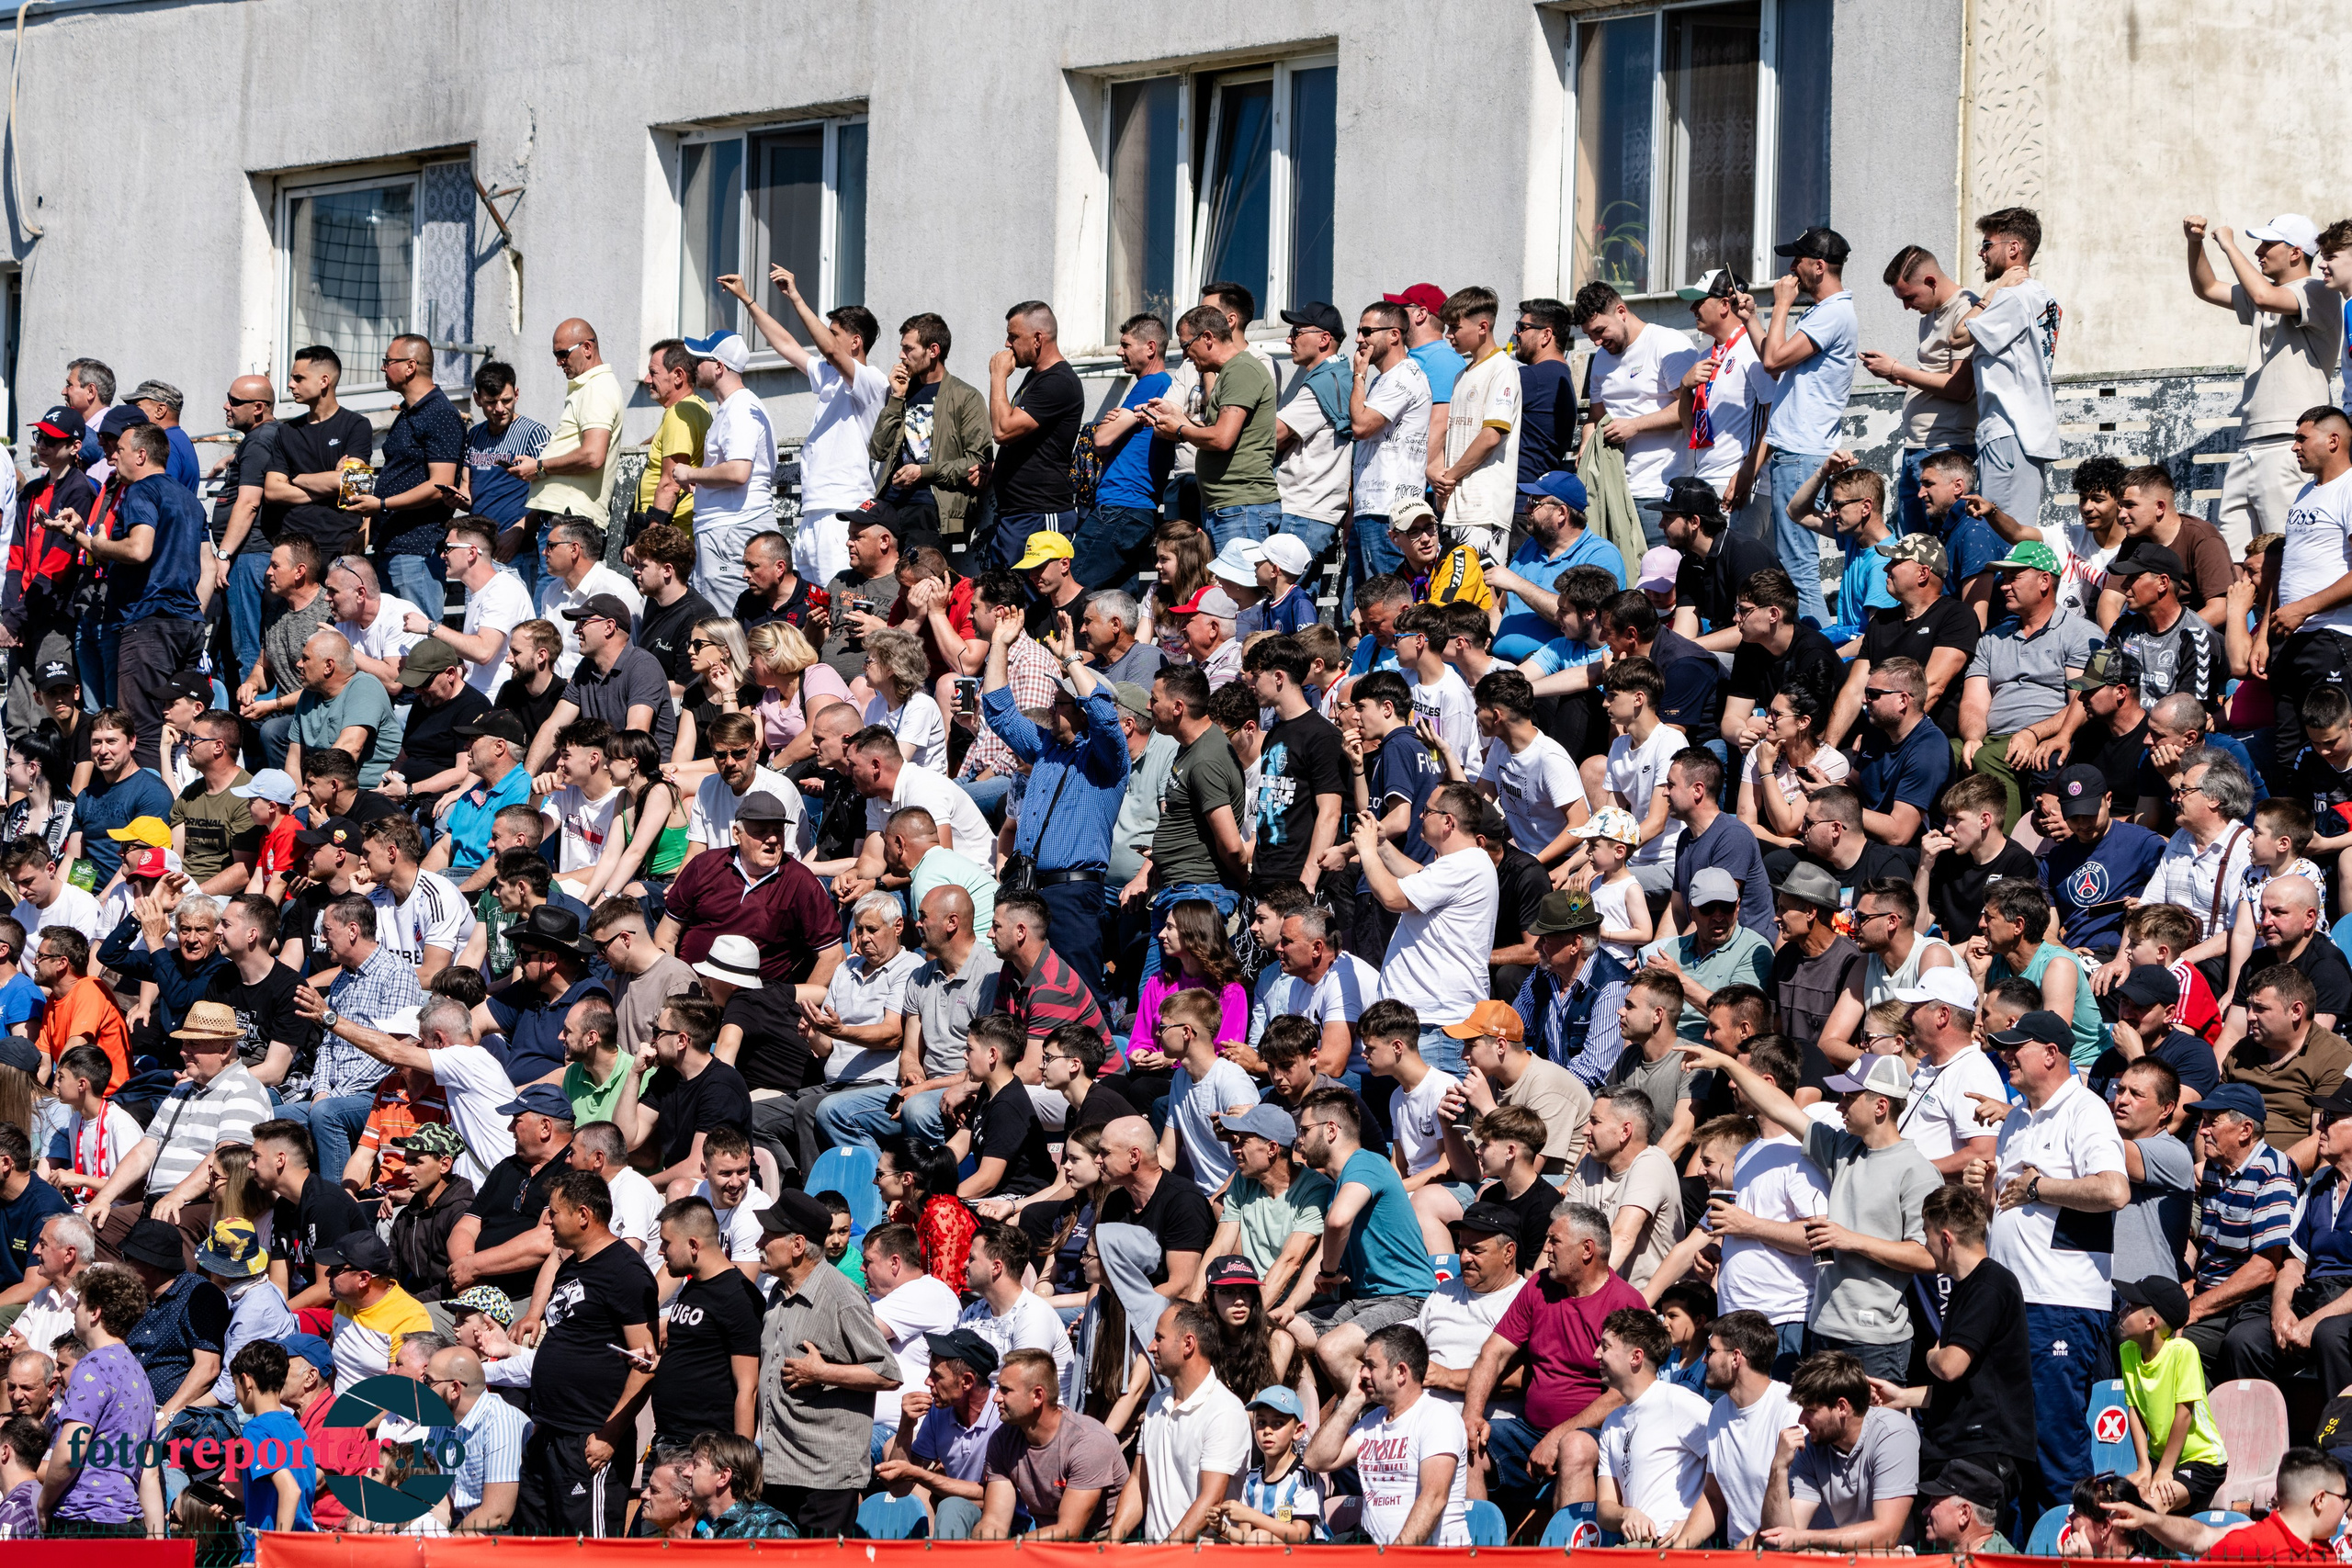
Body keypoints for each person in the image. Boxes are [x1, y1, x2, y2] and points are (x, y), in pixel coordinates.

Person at [1679, 1043, 1936, 1382]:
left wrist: (1851, 1240)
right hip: (1824, 1329)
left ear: (1881, 1106)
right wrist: (1727, 1063)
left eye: (1849, 1097)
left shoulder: (1917, 1171)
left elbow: (1929, 1257)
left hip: (1876, 1341)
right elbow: (1780, 1107)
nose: (1839, 1103)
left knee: (1870, 1432)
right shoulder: (1843, 1149)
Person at [507, 1169, 657, 1538]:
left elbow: (646, 1363)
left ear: (583, 1215)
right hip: (550, 1434)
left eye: (554, 1212)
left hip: (589, 1440)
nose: (548, 1220)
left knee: (585, 1551)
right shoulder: (573, 1264)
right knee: (535, 1544)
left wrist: (609, 1435)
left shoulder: (626, 1272)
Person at [2186, 216, 2339, 547]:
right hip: (2249, 443)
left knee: (2284, 549)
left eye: (2269, 244)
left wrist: (2229, 244)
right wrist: (2195, 243)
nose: (2259, 251)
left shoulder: (2317, 290)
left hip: (2288, 441)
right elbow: (2208, 288)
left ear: (2296, 253)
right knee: (2237, 556)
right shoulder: (2266, 292)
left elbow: (2263, 298)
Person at [754, 1189, 901, 1535]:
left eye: (770, 1235)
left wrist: (822, 1372)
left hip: (826, 1478)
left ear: (797, 1245)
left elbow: (888, 1373)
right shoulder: (777, 1293)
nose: (760, 1241)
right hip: (780, 1470)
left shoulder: (841, 1296)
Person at [1755, 228, 1860, 632]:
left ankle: (1822, 654)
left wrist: (1781, 304)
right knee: (1790, 560)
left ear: (1818, 266)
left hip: (1802, 451)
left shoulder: (1834, 312)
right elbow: (1772, 353)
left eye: (1797, 260)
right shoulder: (1821, 311)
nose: (1791, 268)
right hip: (1795, 449)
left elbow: (1773, 360)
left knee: (1798, 565)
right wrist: (1751, 317)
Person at [1353, 781, 1497, 1072]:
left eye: (1427, 811)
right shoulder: (1461, 864)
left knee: (1433, 1118)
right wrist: (1381, 844)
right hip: (1427, 1025)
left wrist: (1367, 851)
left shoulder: (1463, 865)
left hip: (1437, 1028)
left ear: (1448, 821)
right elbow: (1419, 877)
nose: (1420, 816)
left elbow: (1392, 896)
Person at [1956, 539, 2098, 829]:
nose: (2003, 586)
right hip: (1991, 736)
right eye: (2003, 578)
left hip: (2041, 736)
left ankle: (2005, 855)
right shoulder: (1992, 638)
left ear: (2044, 580)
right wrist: (1972, 736)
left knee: (1989, 758)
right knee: (1942, 751)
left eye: (2014, 577)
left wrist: (2033, 733)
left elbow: (2082, 701)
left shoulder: (2080, 633)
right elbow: (1973, 702)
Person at [2181, 1082, 2301, 1379]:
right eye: (2203, 1122)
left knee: (2176, 1345)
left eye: (2212, 1122)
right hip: (2211, 1293)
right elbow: (2209, 1244)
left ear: (2245, 1130)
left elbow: (2264, 1269)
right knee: (2136, 1326)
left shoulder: (2273, 1173)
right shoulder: (2215, 1167)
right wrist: (2190, 1285)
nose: (2203, 1131)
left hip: (2250, 1304)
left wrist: (2195, 1308)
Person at [1951, 208, 2062, 528]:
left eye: (1987, 245)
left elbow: (1957, 336)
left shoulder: (2010, 297)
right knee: (2016, 534)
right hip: (2027, 431)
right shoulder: (2045, 297)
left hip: (2007, 430)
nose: (1981, 253)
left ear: (2013, 248)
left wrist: (1992, 291)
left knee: (2002, 542)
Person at [1863, 246, 1980, 538]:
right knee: (1916, 549)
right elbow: (1936, 378)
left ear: (1930, 281)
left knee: (1938, 551)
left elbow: (1961, 388)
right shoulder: (1931, 313)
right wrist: (1899, 378)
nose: (1906, 306)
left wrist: (1899, 370)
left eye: (1909, 297)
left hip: (1946, 450)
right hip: (1921, 448)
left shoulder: (1965, 310)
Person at [1574, 283, 1701, 544]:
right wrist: (1587, 443)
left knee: (1661, 580)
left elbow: (1691, 410)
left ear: (1621, 311)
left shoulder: (1667, 343)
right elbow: (1595, 417)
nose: (1597, 341)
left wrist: (1636, 426)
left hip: (1660, 492)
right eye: (1590, 335)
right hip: (1613, 491)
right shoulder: (1600, 358)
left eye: (1600, 331)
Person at [40, 1263, 160, 1539]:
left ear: (95, 1312)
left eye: (79, 1303)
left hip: (84, 1521)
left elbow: (71, 1450)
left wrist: (44, 1504)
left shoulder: (92, 1365)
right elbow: (149, 1471)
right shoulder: (140, 1375)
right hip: (129, 1526)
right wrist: (157, 1540)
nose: (73, 1309)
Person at [1757, 1350, 1917, 1551]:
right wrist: (1778, 1468)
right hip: (1838, 1557)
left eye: (1811, 1410)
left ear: (1842, 1407)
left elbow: (1887, 1534)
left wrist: (1803, 1539)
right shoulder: (1812, 1447)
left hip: (1891, 1556)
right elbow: (1781, 1537)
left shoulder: (1893, 1433)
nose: (1801, 1420)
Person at [974, 1347, 1130, 1540]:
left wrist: (1013, 1548)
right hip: (1043, 1542)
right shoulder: (1003, 1439)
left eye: (1005, 1390)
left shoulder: (1088, 1441)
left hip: (1101, 1543)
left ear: (1038, 1396)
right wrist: (979, 1550)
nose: (996, 1398)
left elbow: (1069, 1530)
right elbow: (994, 1521)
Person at [1589, 1306, 1710, 1545]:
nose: (1596, 1354)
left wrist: (1694, 1523)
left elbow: (1731, 1468)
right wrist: (1626, 1513)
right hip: (1634, 1549)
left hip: (1679, 1548)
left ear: (1636, 1357)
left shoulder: (1678, 1402)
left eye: (1606, 1346)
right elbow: (1604, 1509)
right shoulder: (1612, 1423)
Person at [2110, 1272, 2228, 1514]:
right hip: (2158, 1460)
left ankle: (2151, 1553)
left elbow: (2183, 1416)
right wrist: (2145, 1468)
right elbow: (2135, 1411)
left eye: (2130, 1307)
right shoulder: (2128, 1351)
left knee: (2151, 1505)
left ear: (2150, 1322)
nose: (2121, 1312)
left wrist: (2164, 1470)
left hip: (2201, 1461)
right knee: (2117, 1502)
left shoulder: (2183, 1351)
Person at [981, 301, 1084, 571]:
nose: (1007, 344)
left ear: (1038, 339)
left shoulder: (1058, 382)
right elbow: (1029, 441)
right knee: (1006, 599)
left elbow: (1003, 430)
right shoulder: (1036, 378)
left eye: (1013, 336)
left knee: (1035, 599)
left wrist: (997, 376)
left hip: (1040, 513)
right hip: (1017, 514)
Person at [1347, 300, 1434, 594]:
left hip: (1390, 510)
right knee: (1361, 610)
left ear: (1394, 335)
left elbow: (1361, 426)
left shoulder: (1404, 377)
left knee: (1386, 603)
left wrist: (1358, 375)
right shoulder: (1385, 380)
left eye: (1366, 331)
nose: (1359, 339)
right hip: (1369, 509)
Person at [1565, 1089, 1685, 1290]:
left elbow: (1623, 1236)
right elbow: (1564, 1234)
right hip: (1599, 1290)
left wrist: (1585, 1293)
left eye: (1595, 1121)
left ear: (1625, 1131)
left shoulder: (1652, 1163)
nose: (1586, 1130)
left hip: (1648, 1306)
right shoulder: (1590, 1163)